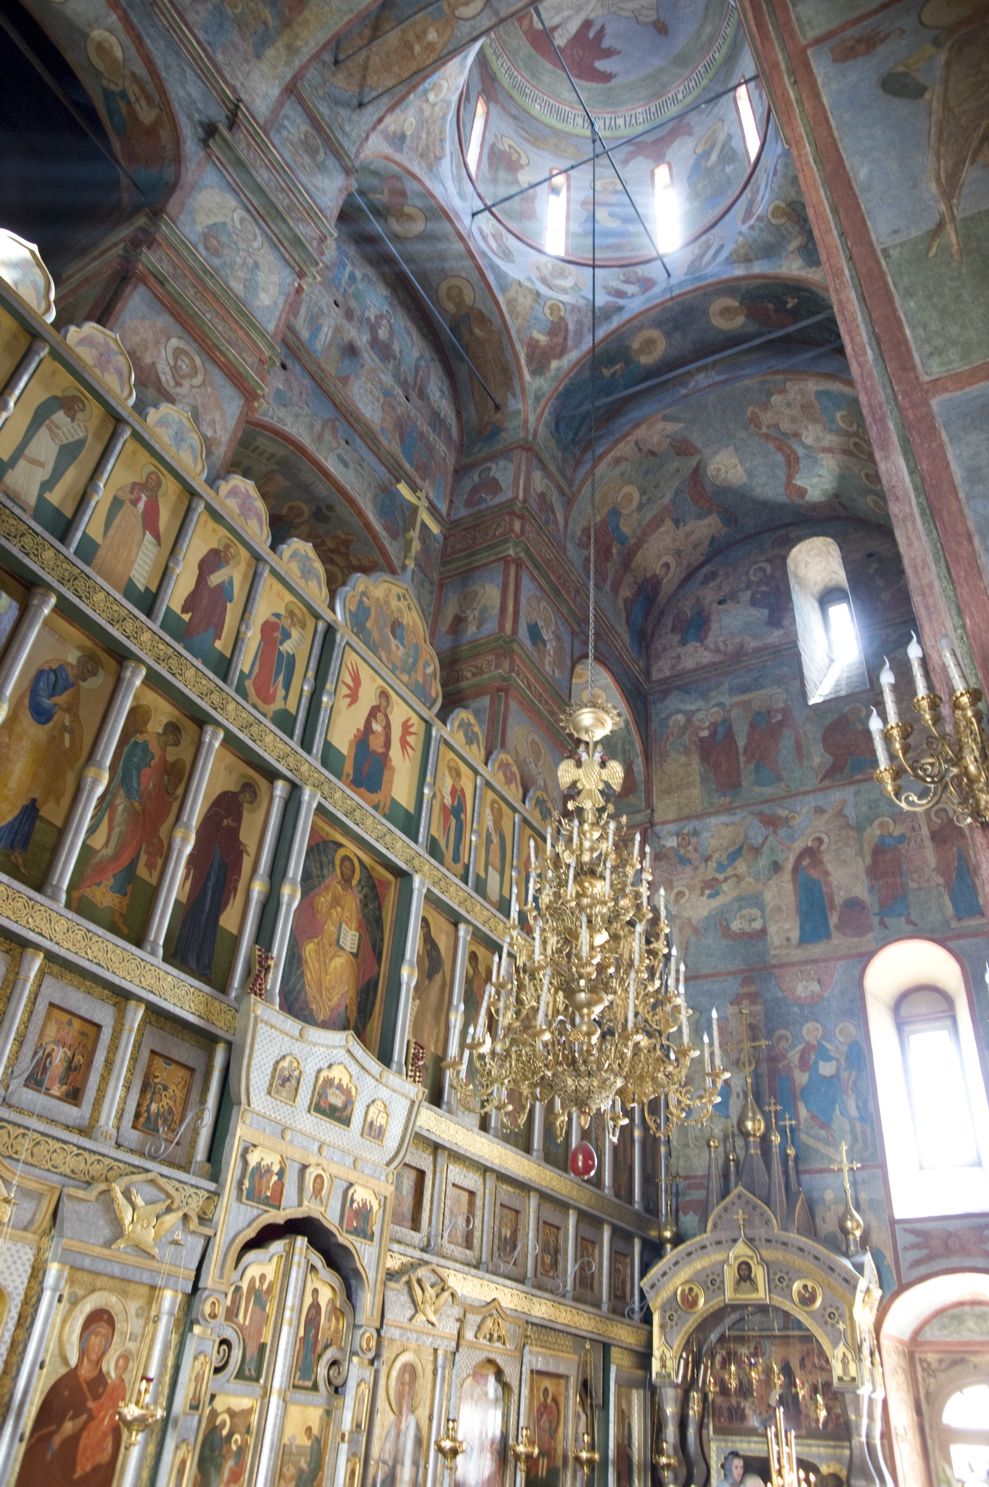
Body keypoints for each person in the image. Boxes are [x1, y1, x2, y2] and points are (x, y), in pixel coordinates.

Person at [0, 647, 103, 873]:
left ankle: (16, 849)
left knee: (34, 797)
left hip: (46, 748)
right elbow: (36, 701)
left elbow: (73, 718)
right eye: (87, 669)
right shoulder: (52, 670)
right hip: (26, 736)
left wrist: (72, 728)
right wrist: (57, 708)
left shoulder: (75, 689)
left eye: (91, 674)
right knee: (13, 785)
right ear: (80, 662)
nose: (87, 675)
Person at [14, 1306, 122, 1487]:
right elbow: (34, 1438)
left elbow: (114, 1434)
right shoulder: (63, 1385)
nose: (99, 1342)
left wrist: (110, 1443)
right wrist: (61, 1435)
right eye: (96, 1335)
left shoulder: (107, 1391)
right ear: (84, 1339)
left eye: (105, 1338)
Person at [173, 780, 257, 981]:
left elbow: (231, 837)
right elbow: (211, 818)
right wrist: (224, 822)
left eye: (251, 800)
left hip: (222, 862)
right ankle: (188, 955)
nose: (247, 801)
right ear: (244, 790)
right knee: (203, 903)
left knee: (212, 910)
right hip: (212, 857)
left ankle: (203, 965)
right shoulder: (226, 797)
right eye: (249, 797)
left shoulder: (240, 809)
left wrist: (238, 845)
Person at [299, 852, 373, 1029]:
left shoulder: (353, 898)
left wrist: (352, 938)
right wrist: (327, 905)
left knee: (337, 966)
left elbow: (353, 927)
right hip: (326, 941)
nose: (346, 871)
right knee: (308, 949)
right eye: (344, 868)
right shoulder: (333, 887)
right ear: (340, 869)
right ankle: (314, 1003)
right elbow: (321, 904)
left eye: (349, 869)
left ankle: (325, 1009)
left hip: (342, 948)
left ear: (353, 874)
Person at [0, 389, 92, 514]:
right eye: (75, 405)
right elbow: (40, 413)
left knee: (36, 473)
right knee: (23, 462)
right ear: (71, 400)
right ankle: (4, 487)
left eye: (78, 410)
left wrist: (81, 436)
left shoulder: (72, 424)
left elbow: (69, 442)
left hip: (49, 449)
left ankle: (28, 506)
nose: (75, 410)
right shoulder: (54, 405)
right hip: (37, 438)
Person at [90, 466, 164, 596]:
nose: (150, 482)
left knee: (127, 559)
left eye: (153, 481)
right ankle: (94, 576)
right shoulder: (135, 486)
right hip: (124, 520)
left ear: (156, 486)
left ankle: (114, 591)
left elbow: (153, 524)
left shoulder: (154, 503)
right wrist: (131, 495)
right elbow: (118, 492)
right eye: (149, 478)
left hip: (137, 531)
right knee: (111, 548)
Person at [179, 538, 240, 662]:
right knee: (198, 615)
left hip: (218, 605)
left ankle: (200, 656)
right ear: (224, 549)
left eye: (231, 556)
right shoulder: (213, 553)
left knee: (211, 628)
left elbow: (230, 597)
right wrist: (207, 577)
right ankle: (185, 642)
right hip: (205, 593)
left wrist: (225, 583)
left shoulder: (228, 571)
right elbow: (202, 564)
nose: (228, 556)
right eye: (228, 552)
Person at [374, 1359, 422, 1486]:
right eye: (402, 1384)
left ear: (413, 1389)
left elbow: (415, 1465)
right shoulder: (391, 1425)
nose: (405, 1389)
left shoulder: (414, 1427)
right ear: (397, 1386)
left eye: (409, 1384)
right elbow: (384, 1460)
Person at [349, 689, 392, 798]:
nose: (384, 703)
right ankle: (357, 780)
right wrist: (371, 738)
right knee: (360, 747)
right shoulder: (374, 709)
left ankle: (369, 788)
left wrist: (382, 739)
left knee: (377, 761)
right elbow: (367, 723)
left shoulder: (387, 720)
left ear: (387, 704)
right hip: (368, 741)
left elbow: (388, 738)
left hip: (379, 748)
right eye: (382, 699)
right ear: (379, 699)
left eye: (386, 701)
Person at [535, 1385, 560, 1477]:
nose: (545, 1395)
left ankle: (543, 1474)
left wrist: (551, 1433)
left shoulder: (549, 1408)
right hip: (540, 1433)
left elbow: (550, 1421)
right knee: (540, 1452)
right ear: (542, 1394)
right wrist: (540, 1417)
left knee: (545, 1453)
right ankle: (539, 1473)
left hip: (546, 1434)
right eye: (544, 1393)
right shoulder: (540, 1406)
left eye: (546, 1393)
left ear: (548, 1395)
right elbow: (537, 1418)